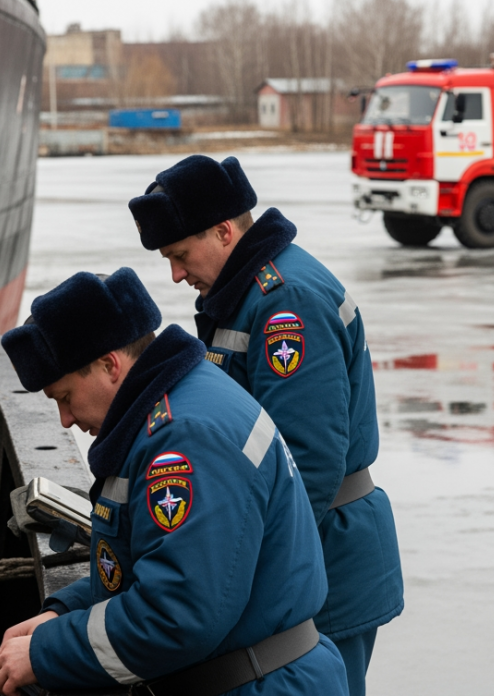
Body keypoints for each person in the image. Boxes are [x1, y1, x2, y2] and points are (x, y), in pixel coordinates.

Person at [0, 267, 349, 696]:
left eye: (65, 397)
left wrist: (46, 652)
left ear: (110, 365)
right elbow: (162, 565)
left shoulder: (184, 441)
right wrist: (66, 610)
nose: (65, 418)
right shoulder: (184, 396)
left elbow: (178, 614)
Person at [128, 155, 404, 696]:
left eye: (181, 255)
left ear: (224, 230)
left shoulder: (286, 304)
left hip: (324, 556)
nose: (176, 274)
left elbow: (312, 461)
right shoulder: (247, 296)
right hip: (307, 554)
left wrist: (228, 557)